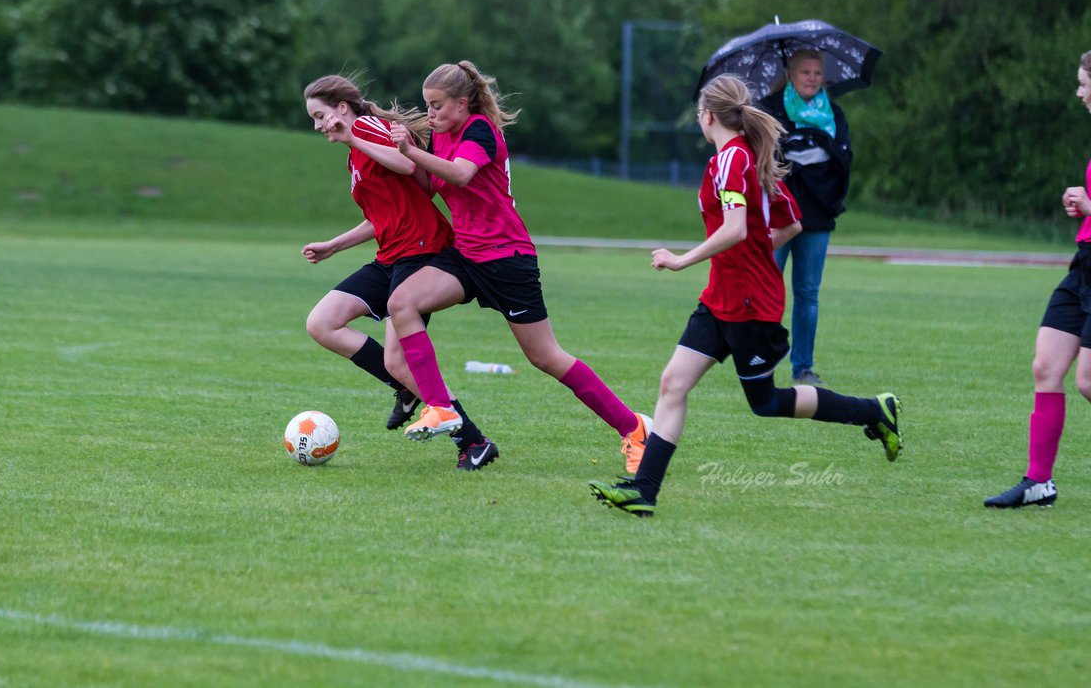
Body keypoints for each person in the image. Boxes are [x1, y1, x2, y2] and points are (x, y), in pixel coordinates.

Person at [588, 74, 901, 517]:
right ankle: (644, 491)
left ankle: (873, 410)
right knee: (673, 382)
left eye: (698, 112)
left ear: (708, 116)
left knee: (766, 402)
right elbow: (788, 224)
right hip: (721, 296)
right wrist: (750, 248)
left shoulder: (735, 160)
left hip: (751, 303)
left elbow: (736, 230)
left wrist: (682, 259)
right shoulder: (745, 160)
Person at [385, 61, 653, 472]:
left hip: (508, 259)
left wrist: (411, 150)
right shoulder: (441, 136)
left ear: (462, 102)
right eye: (427, 105)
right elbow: (431, 184)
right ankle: (441, 408)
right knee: (402, 303)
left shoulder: (479, 130)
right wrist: (386, 151)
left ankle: (634, 428)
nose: (431, 114)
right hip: (468, 255)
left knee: (546, 357)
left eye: (437, 105)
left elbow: (459, 175)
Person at [300, 74, 498, 471]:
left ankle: (473, 441)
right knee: (322, 323)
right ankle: (405, 388)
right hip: (391, 255)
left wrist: (353, 138)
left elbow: (407, 163)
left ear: (342, 108)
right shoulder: (355, 149)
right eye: (314, 120)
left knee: (399, 360)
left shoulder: (366, 129)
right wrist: (333, 246)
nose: (319, 126)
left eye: (321, 116)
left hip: (422, 251)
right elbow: (382, 216)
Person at [984, 50, 1091, 508]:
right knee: (1045, 367)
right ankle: (1038, 483)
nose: (1079, 91)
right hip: (1084, 264)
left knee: (1089, 381)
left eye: (1084, 82)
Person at [757, 49, 853, 386]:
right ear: (791, 74)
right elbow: (761, 157)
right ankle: (761, 361)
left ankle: (803, 368)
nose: (812, 78)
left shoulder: (835, 114)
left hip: (817, 215)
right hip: (777, 215)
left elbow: (842, 163)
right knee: (768, 288)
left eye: (817, 73)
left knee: (808, 293)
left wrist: (801, 155)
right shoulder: (769, 109)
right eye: (805, 72)